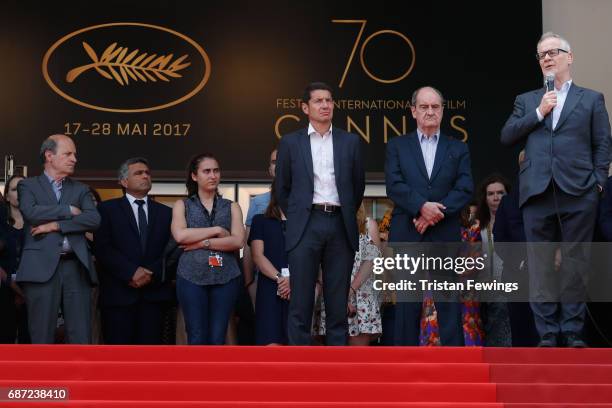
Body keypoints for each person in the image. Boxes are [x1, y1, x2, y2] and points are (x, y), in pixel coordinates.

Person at [501, 32, 610, 347]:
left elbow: (602, 144)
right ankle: (548, 334)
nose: (547, 58)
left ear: (570, 57)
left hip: (579, 191)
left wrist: (598, 183)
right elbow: (507, 135)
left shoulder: (591, 99)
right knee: (540, 265)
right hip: (537, 192)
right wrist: (539, 112)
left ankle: (573, 332)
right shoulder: (527, 100)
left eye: (554, 52)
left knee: (576, 263)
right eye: (541, 54)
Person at [275, 81, 365, 346]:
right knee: (301, 300)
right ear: (305, 108)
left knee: (337, 302)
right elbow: (282, 188)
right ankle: (299, 370)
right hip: (306, 224)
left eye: (329, 100)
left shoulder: (350, 141)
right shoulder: (291, 142)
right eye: (318, 101)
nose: (325, 105)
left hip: (340, 223)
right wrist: (298, 216)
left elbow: (357, 186)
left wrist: (344, 211)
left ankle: (337, 370)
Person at [384, 86, 473, 346]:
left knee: (448, 302)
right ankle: (404, 367)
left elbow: (465, 187)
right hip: (408, 232)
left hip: (444, 233)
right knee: (407, 304)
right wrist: (422, 206)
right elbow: (394, 185)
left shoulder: (458, 148)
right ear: (413, 111)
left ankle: (454, 366)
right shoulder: (397, 146)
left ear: (443, 111)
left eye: (435, 107)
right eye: (424, 107)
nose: (430, 111)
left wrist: (434, 213)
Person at [16, 134, 100, 344]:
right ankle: (41, 378)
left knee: (81, 334)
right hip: (40, 268)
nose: (74, 159)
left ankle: (80, 377)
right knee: (41, 334)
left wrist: (55, 225)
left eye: (74, 154)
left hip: (76, 266)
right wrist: (68, 210)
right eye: (68, 154)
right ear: (49, 156)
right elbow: (31, 212)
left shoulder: (80, 188)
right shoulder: (28, 185)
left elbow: (93, 219)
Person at [94, 158, 174, 344]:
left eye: (147, 172)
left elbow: (170, 250)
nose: (145, 175)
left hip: (154, 295)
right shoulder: (106, 210)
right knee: (118, 359)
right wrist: (131, 272)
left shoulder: (166, 213)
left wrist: (150, 273)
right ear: (123, 182)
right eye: (138, 173)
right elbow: (102, 248)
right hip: (118, 295)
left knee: (149, 360)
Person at [171, 153, 245, 345]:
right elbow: (180, 236)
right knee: (195, 334)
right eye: (207, 171)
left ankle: (216, 375)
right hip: (190, 276)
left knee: (219, 335)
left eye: (216, 170)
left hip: (226, 276)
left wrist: (202, 243)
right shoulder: (182, 205)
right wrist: (218, 230)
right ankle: (196, 375)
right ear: (194, 176)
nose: (213, 175)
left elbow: (238, 241)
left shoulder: (232, 206)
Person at [312, 204, 382, 345]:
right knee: (328, 360)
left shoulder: (368, 224)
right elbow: (316, 263)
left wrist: (348, 293)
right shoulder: (324, 223)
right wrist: (336, 296)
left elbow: (372, 260)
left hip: (360, 296)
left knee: (357, 361)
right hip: (329, 294)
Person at [248, 182, 290, 345]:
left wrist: (292, 280)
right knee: (270, 343)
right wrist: (281, 279)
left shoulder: (305, 223)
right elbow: (257, 256)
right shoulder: (260, 221)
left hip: (298, 286)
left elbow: (309, 256)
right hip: (269, 285)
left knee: (295, 345)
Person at [475, 174, 512, 347]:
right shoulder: (477, 225)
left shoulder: (515, 222)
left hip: (505, 286)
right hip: (479, 287)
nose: (496, 197)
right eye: (491, 194)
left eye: (500, 193)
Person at [243, 148, 277, 306]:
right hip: (263, 280)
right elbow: (248, 246)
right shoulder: (258, 202)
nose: (278, 165)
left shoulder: (307, 201)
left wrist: (317, 284)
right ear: (270, 169)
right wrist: (249, 283)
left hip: (299, 282)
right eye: (274, 162)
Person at [0, 175, 30, 343]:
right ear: (6, 196)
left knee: (30, 341)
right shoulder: (0, 223)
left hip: (33, 290)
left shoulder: (37, 222)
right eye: (14, 189)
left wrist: (25, 293)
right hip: (4, 289)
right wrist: (16, 290)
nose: (19, 193)